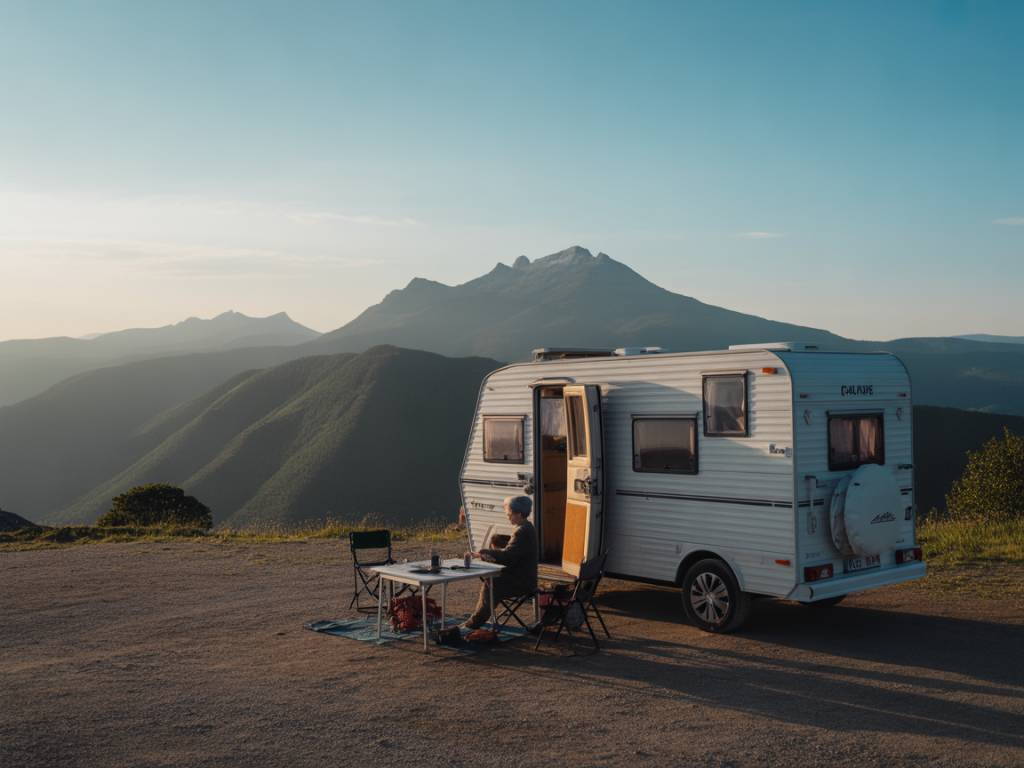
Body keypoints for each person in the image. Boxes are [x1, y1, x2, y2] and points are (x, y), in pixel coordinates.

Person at [462, 495, 538, 630]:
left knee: (491, 584)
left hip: (523, 582)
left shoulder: (522, 531)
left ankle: (475, 622)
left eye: (510, 514)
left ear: (519, 514)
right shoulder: (527, 527)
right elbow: (513, 553)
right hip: (525, 576)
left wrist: (482, 553)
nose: (508, 517)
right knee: (492, 581)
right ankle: (476, 620)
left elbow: (508, 556)